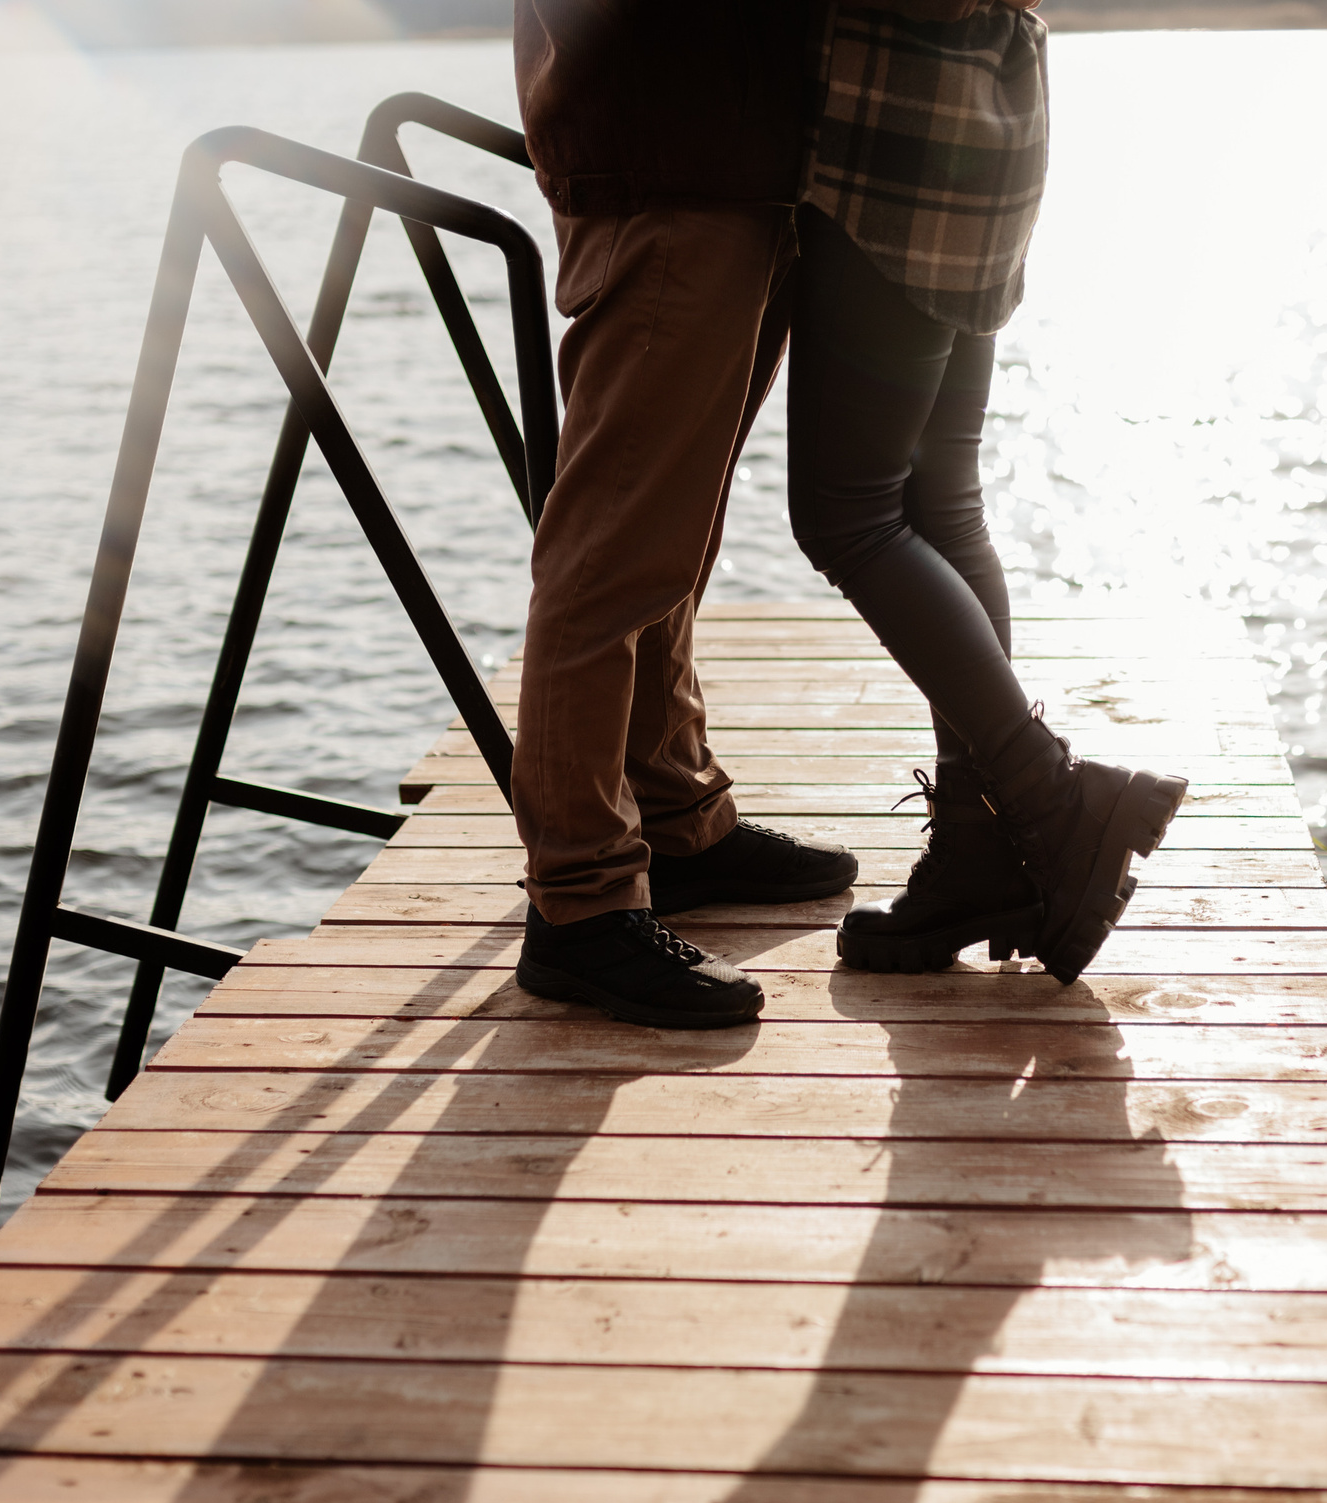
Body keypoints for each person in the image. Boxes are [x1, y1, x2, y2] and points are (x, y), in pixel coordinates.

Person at [790, 0, 1188, 985]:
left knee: (846, 513)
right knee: (939, 502)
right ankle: (977, 849)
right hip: (984, 108)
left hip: (899, 128)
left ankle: (1052, 800)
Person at [506, 0, 859, 1030]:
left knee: (669, 542)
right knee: (610, 556)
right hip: (668, 168)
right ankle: (580, 899)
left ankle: (676, 821)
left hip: (735, 165)